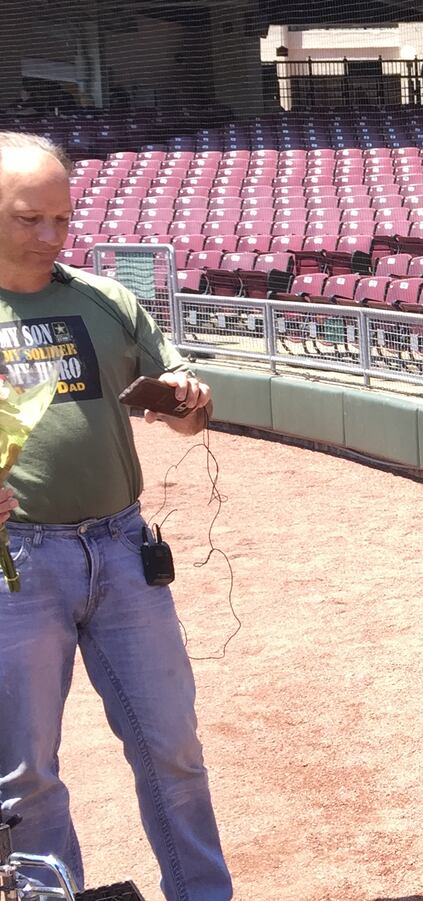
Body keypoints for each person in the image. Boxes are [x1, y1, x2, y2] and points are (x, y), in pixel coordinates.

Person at [0, 132, 232, 900]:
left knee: (174, 750)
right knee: (25, 775)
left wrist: (189, 400)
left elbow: (184, 408)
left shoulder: (106, 299)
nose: (50, 238)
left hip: (123, 547)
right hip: (15, 562)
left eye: (62, 220)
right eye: (28, 219)